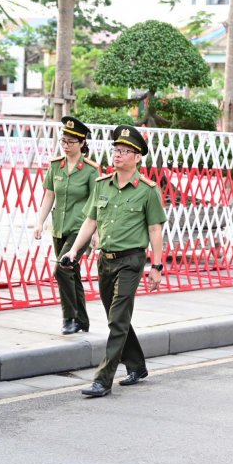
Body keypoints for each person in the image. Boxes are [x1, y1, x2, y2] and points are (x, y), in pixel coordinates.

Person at [63, 125, 167, 398]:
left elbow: (156, 229)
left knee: (118, 320)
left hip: (131, 260)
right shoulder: (101, 185)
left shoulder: (147, 190)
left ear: (137, 157)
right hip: (105, 260)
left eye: (124, 151)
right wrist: (74, 251)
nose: (118, 155)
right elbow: (90, 221)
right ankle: (137, 365)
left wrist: (156, 266)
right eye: (116, 150)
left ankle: (103, 380)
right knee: (115, 318)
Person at [35, 116, 100, 335]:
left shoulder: (91, 170)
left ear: (82, 143)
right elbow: (49, 196)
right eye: (63, 141)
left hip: (81, 229)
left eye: (70, 142)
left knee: (62, 269)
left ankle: (69, 318)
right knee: (71, 271)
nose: (65, 145)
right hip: (60, 227)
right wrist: (40, 222)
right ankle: (83, 320)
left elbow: (99, 203)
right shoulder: (56, 166)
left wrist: (97, 233)